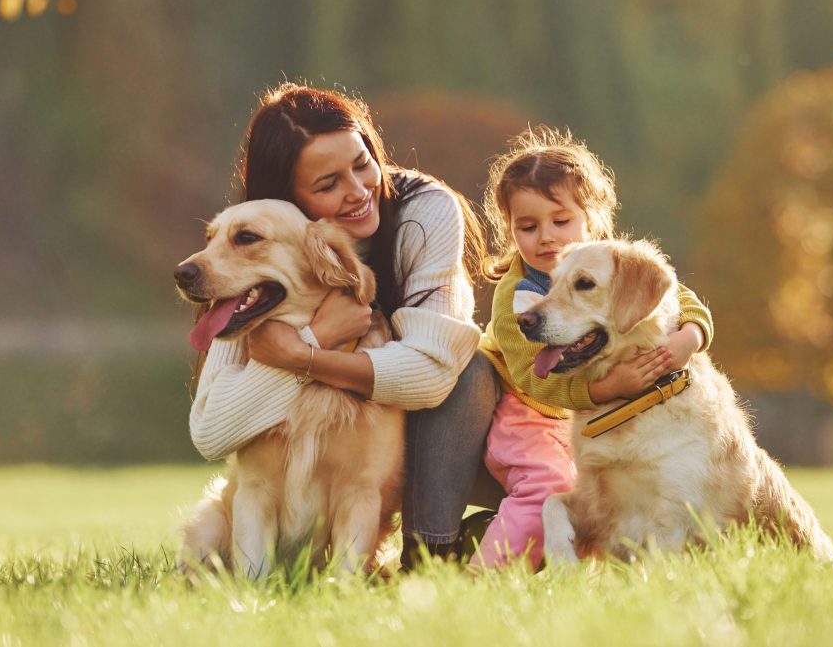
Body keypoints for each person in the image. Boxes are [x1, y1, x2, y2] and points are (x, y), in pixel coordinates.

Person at [188, 83, 495, 564]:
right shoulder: (261, 246)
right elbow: (211, 432)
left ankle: (430, 554)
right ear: (290, 199)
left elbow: (433, 374)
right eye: (327, 185)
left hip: (434, 436)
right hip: (337, 441)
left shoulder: (423, 210)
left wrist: (302, 355)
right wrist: (313, 341)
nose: (358, 192)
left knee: (470, 371)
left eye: (362, 162)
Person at [473, 128, 714, 568]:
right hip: (530, 412)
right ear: (509, 230)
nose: (546, 238)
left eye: (560, 222)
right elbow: (535, 380)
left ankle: (594, 577)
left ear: (593, 219)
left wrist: (689, 338)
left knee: (603, 498)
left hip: (591, 416)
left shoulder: (618, 265)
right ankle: (483, 576)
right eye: (527, 227)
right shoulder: (516, 298)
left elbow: (682, 301)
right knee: (546, 487)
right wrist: (608, 388)